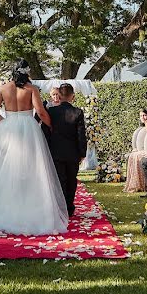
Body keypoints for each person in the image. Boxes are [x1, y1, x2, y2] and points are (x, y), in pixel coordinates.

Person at [0, 60, 69, 235]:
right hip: (28, 129)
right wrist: (51, 126)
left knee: (10, 170)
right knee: (33, 169)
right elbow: (41, 112)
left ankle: (10, 211)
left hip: (10, 130)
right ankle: (33, 209)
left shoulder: (3, 88)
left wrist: (6, 123)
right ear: (27, 72)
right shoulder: (31, 89)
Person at [43, 84, 87, 216]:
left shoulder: (51, 112)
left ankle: (60, 208)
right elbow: (81, 135)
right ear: (72, 96)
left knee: (59, 179)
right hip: (73, 153)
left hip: (55, 151)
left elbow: (45, 132)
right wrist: (82, 153)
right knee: (71, 180)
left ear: (60, 96)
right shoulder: (78, 112)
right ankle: (69, 207)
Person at [123, 109, 147, 193]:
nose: (143, 117)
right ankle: (135, 183)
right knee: (133, 155)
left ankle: (142, 184)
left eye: (144, 115)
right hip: (142, 149)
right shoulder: (141, 128)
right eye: (141, 116)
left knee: (136, 156)